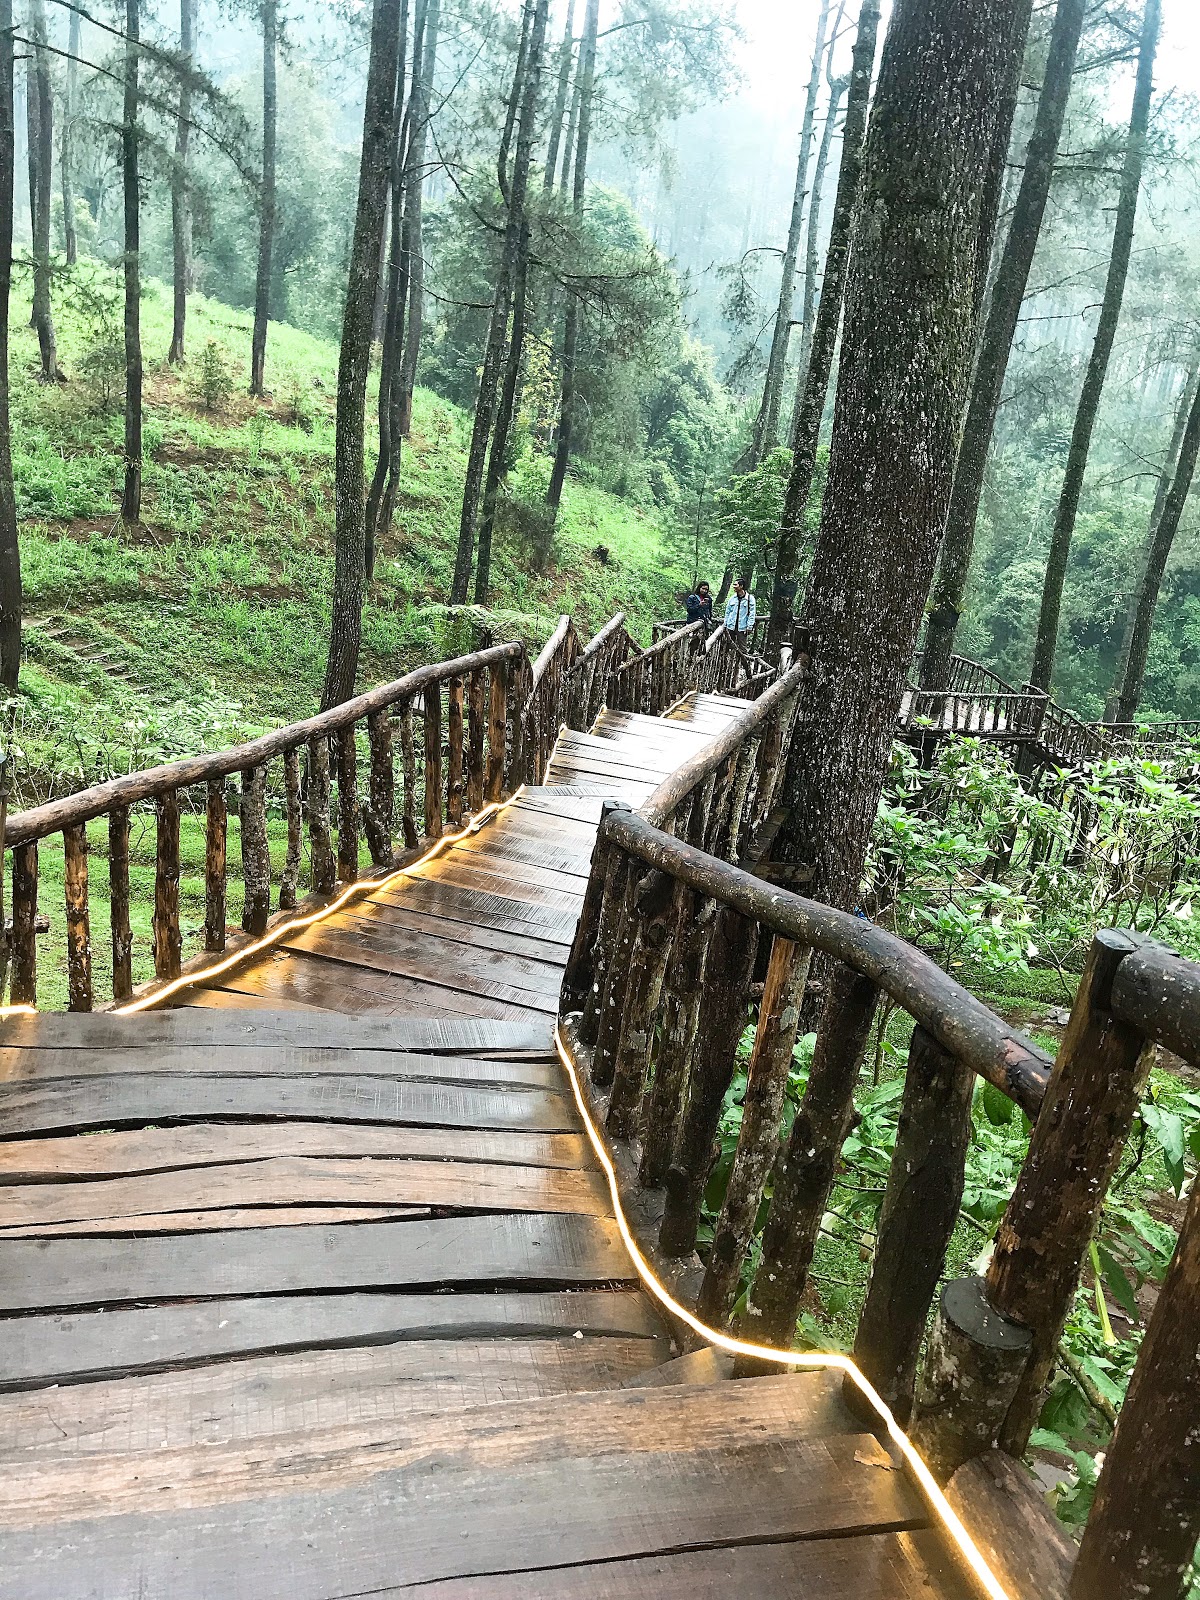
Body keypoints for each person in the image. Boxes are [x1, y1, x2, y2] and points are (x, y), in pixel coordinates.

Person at [725, 578, 756, 648]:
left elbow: (752, 613)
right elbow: (727, 612)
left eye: (735, 584)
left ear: (741, 586)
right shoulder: (732, 598)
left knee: (742, 647)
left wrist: (749, 626)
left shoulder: (750, 599)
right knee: (728, 646)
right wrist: (725, 624)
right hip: (731, 626)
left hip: (742, 627)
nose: (734, 586)